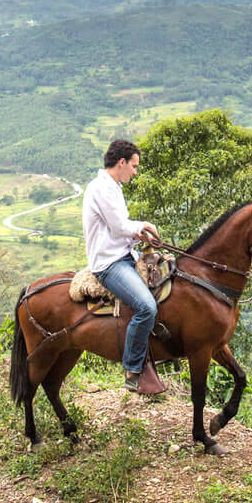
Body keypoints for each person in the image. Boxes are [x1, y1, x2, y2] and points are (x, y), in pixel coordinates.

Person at [82, 138, 160, 392]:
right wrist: (143, 226)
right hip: (110, 263)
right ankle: (132, 369)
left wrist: (140, 235)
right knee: (146, 307)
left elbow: (120, 229)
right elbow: (118, 227)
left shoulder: (113, 187)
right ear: (122, 162)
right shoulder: (101, 189)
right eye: (134, 167)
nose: (135, 172)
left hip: (126, 255)